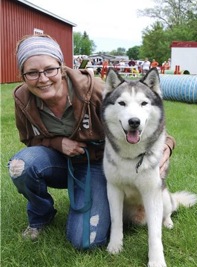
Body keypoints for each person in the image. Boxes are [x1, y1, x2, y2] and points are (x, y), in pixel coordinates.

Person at [8, 34, 176, 249]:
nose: (42, 78)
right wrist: (58, 143)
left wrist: (167, 147)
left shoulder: (95, 89)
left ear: (61, 66)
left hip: (96, 165)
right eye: (32, 72)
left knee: (86, 241)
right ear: (23, 75)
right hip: (57, 162)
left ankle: (89, 200)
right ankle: (41, 215)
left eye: (50, 69)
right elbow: (28, 139)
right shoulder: (22, 98)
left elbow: (149, 125)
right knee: (21, 165)